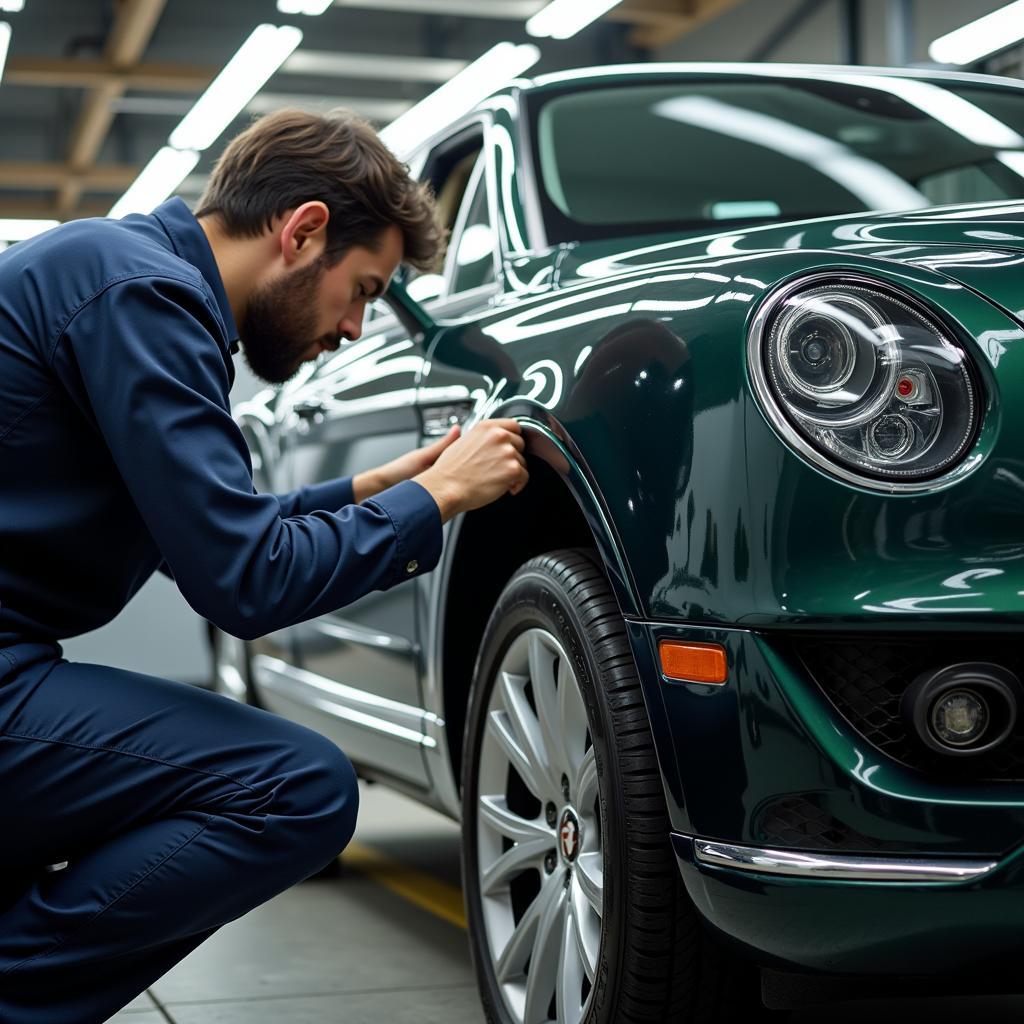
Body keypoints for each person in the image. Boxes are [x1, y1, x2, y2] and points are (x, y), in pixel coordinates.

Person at [0, 108, 528, 1023]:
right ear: (304, 230)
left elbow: (207, 530)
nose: (358, 328)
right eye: (363, 289)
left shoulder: (117, 273)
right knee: (295, 787)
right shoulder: (145, 299)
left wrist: (373, 490)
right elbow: (244, 581)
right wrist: (439, 499)